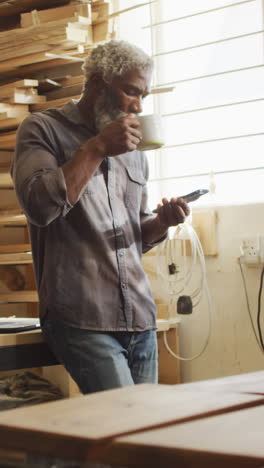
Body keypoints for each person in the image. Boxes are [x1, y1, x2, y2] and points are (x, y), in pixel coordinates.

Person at [12, 40, 190, 394]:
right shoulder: (41, 130)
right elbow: (39, 206)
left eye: (143, 96)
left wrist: (162, 223)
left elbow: (132, 238)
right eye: (130, 92)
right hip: (81, 316)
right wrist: (96, 148)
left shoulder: (135, 151)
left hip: (139, 316)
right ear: (96, 84)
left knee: (145, 436)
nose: (138, 105)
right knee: (123, 428)